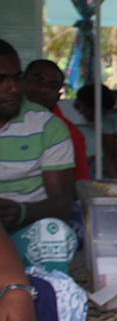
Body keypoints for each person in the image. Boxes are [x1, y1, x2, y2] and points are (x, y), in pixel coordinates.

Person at [0, 39, 78, 274]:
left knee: (53, 234)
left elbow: (63, 202)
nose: (13, 88)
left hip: (23, 231)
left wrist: (20, 211)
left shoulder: (48, 127)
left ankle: (47, 300)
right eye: (1, 80)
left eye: (17, 78)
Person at [23, 60, 89, 182]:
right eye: (37, 80)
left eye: (52, 86)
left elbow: (81, 182)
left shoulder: (70, 134)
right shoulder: (4, 120)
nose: (43, 89)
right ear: (21, 82)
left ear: (58, 97)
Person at [74, 83, 117, 179]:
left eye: (83, 108)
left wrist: (115, 187)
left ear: (93, 106)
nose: (81, 112)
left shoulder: (105, 121)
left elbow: (110, 158)